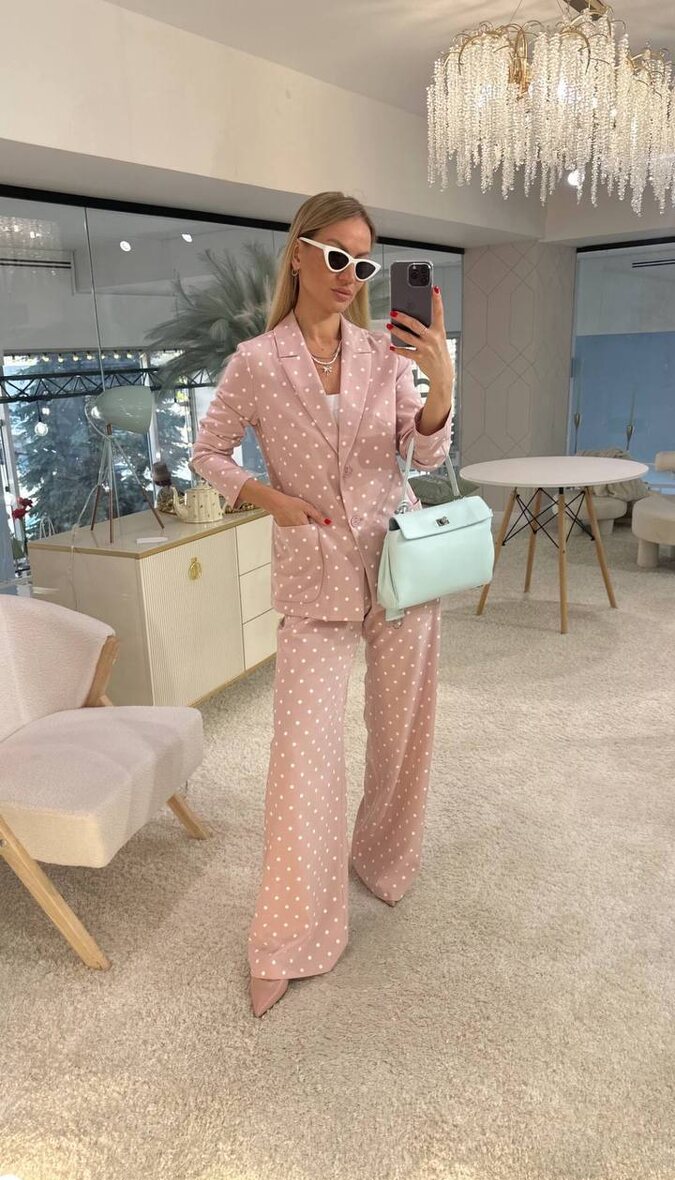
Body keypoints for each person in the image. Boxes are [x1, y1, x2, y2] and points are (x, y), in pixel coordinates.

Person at [190, 191, 454, 1017]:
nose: (348, 275)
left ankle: (381, 858)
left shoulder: (385, 354)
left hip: (399, 566)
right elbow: (207, 452)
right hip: (312, 573)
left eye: (362, 263)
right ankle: (289, 935)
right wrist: (267, 498)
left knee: (400, 732)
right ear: (299, 254)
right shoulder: (255, 361)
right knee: (303, 758)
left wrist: (439, 379)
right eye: (335, 256)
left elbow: (423, 453)